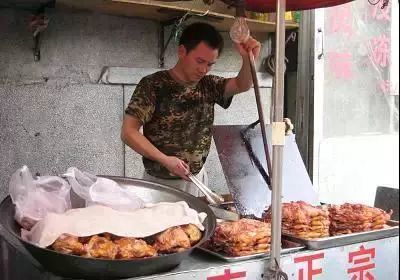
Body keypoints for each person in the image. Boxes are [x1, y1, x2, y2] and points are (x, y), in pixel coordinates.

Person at [121, 22, 261, 196]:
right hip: (160, 183)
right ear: (182, 51)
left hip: (197, 180)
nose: (203, 69)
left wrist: (248, 59)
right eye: (200, 61)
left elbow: (242, 84)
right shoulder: (153, 85)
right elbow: (128, 132)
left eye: (210, 64)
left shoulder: (209, 85)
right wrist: (165, 160)